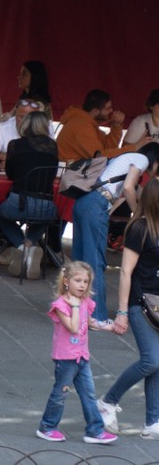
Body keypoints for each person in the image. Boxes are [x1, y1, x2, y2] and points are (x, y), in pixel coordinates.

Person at [72, 142, 159, 329]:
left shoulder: (125, 158)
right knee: (95, 261)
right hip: (96, 204)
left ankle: (74, 311)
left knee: (79, 261)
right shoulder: (141, 159)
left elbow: (116, 196)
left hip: (85, 202)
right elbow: (128, 188)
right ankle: (97, 317)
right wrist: (138, 214)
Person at [97, 178, 159, 440]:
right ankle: (108, 402)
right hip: (140, 303)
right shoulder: (140, 229)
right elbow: (125, 272)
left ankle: (153, 422)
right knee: (151, 360)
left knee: (157, 364)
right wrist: (122, 312)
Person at [35, 261, 119, 444]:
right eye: (78, 280)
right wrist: (73, 306)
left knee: (88, 394)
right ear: (66, 281)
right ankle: (47, 427)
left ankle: (95, 430)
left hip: (82, 356)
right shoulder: (61, 305)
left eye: (86, 281)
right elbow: (73, 327)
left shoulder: (85, 302)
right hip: (65, 359)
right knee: (60, 393)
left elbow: (89, 322)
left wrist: (109, 327)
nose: (82, 285)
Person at [0, 111, 59, 279]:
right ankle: (30, 244)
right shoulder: (53, 146)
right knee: (45, 220)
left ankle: (22, 246)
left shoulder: (15, 145)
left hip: (19, 202)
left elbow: (10, 173)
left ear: (25, 125)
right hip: (46, 205)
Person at [57, 89, 147, 163]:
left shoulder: (87, 122)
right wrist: (135, 147)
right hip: (72, 175)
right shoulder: (82, 126)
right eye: (107, 109)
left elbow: (107, 148)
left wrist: (116, 126)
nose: (111, 110)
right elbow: (100, 156)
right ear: (95, 111)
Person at [0, 97, 53, 175]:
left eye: (30, 118)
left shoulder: (46, 127)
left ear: (38, 119)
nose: (25, 122)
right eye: (21, 117)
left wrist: (10, 159)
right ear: (15, 115)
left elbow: (50, 163)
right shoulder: (2, 128)